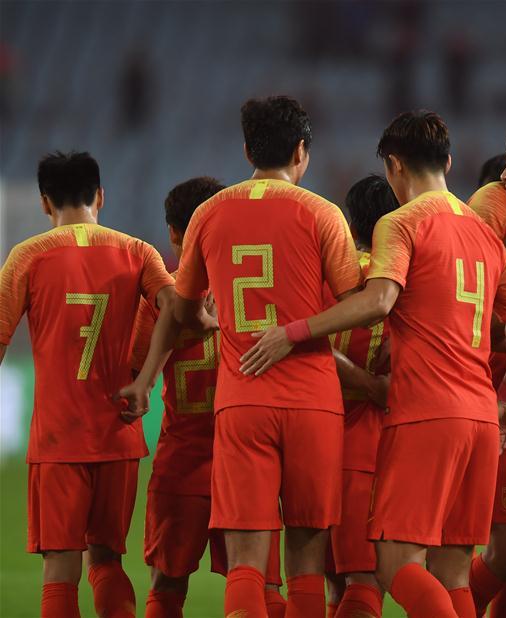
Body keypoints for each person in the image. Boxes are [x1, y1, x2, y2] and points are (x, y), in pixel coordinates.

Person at [240, 110, 506, 618]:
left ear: (394, 165)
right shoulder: (483, 232)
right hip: (481, 418)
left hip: (427, 414)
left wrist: (294, 332)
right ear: (447, 161)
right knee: (452, 573)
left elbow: (379, 300)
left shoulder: (400, 222)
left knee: (392, 561)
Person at [122, 95, 362, 618]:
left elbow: (179, 308)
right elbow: (359, 305)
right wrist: (297, 332)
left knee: (247, 562)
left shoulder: (210, 213)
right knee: (304, 560)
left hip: (243, 402)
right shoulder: (323, 212)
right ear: (302, 152)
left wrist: (152, 372)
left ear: (247, 148)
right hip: (313, 402)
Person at [0, 151, 176, 618]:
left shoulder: (27, 256)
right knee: (107, 561)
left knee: (60, 567)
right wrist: (146, 379)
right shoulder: (138, 252)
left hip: (58, 439)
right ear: (100, 196)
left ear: (43, 203)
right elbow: (175, 308)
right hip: (118, 433)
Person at [129, 177, 286, 618]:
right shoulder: (260, 286)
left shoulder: (162, 300)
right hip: (251, 456)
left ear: (175, 234)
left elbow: (135, 368)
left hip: (182, 460)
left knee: (165, 587)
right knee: (261, 583)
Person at [323, 175, 398, 618]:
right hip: (371, 443)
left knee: (329, 580)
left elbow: (311, 345)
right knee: (365, 580)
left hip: (318, 437)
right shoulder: (401, 277)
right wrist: (373, 386)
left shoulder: (327, 272)